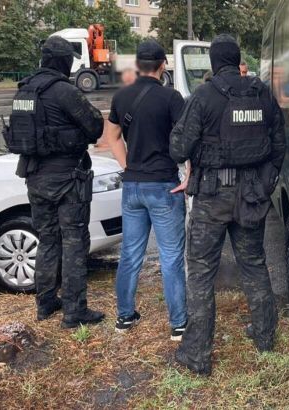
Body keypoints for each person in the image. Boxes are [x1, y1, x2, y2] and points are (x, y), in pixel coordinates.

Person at [169, 34, 286, 376]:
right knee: (254, 265)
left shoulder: (203, 96)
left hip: (211, 198)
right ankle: (265, 337)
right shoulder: (262, 93)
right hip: (251, 194)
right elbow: (279, 143)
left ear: (213, 63)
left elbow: (178, 148)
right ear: (237, 60)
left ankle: (197, 353)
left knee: (201, 274)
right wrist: (266, 183)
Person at [5, 36, 105, 328]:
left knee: (47, 239)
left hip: (34, 176)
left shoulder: (24, 90)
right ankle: (74, 311)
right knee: (74, 242)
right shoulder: (64, 91)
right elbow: (94, 126)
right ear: (64, 62)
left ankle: (45, 302)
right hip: (66, 179)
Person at [103, 40, 189, 341]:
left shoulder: (121, 96)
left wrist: (128, 165)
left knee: (130, 254)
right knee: (171, 256)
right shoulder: (171, 98)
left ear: (138, 65)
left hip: (133, 187)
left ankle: (124, 317)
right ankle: (178, 323)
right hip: (164, 185)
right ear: (163, 65)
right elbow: (186, 140)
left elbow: (112, 136)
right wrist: (189, 174)